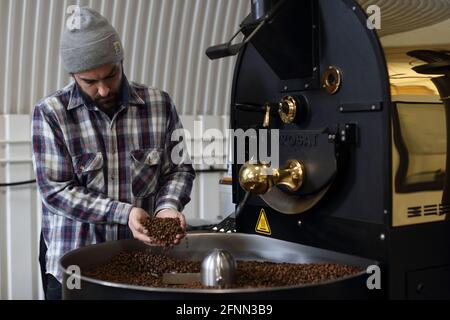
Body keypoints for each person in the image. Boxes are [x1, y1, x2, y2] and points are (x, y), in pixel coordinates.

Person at [31, 7, 195, 300]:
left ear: (120, 60)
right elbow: (56, 191)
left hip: (145, 266)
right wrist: (126, 214)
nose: (104, 89)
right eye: (89, 82)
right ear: (72, 74)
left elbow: (178, 169)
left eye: (111, 74)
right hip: (77, 267)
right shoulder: (51, 114)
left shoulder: (159, 105)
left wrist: (168, 207)